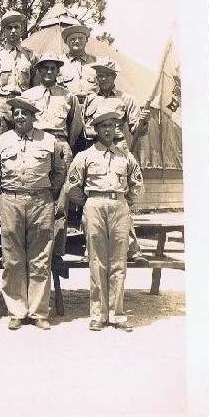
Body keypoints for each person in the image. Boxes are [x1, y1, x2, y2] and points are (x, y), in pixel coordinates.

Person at [0, 97, 66, 330]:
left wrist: (47, 194)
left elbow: (59, 172)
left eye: (25, 113)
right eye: (16, 113)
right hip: (11, 200)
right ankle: (17, 311)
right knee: (12, 257)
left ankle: (39, 312)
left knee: (40, 256)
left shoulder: (49, 141)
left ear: (33, 116)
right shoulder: (1, 142)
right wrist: (6, 192)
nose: (20, 117)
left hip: (41, 201)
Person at [65, 109, 144, 331]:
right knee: (97, 262)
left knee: (118, 262)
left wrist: (123, 202)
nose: (108, 130)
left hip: (119, 206)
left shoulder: (125, 156)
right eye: (103, 126)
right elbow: (72, 187)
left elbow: (137, 184)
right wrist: (90, 203)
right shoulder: (85, 156)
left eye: (112, 126)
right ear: (96, 130)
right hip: (95, 206)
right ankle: (98, 315)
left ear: (116, 129)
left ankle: (117, 315)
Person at [82, 57, 150, 264]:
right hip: (95, 149)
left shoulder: (126, 99)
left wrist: (144, 122)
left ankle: (132, 248)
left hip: (118, 149)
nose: (102, 78)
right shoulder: (89, 99)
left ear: (114, 77)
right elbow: (85, 128)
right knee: (93, 199)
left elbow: (136, 130)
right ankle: (90, 248)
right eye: (99, 75)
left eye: (106, 75)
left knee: (120, 200)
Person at [21, 54, 79, 259]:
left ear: (57, 71)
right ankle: (34, 248)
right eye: (44, 68)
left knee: (60, 200)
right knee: (35, 196)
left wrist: (63, 145)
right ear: (38, 71)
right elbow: (20, 121)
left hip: (60, 143)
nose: (48, 71)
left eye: (52, 68)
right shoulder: (28, 95)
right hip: (36, 144)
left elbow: (75, 126)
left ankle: (56, 251)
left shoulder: (68, 96)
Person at [0, 10, 34, 135]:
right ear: (4, 31)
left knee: (24, 140)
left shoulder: (30, 55)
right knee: (1, 141)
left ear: (21, 30)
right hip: (2, 107)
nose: (13, 31)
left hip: (23, 105)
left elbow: (35, 86)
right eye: (9, 28)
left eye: (16, 27)